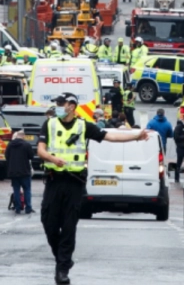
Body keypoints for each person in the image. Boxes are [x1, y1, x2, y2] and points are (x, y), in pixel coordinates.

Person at [37, 92, 149, 284]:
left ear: (72, 106)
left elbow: (110, 136)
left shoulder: (83, 126)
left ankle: (62, 269)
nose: (57, 106)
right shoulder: (50, 124)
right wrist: (53, 159)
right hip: (54, 180)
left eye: (61, 103)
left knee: (69, 226)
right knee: (49, 223)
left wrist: (135, 136)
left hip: (74, 183)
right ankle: (62, 259)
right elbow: (40, 149)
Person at [6, 131, 36, 214]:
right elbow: (31, 156)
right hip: (24, 171)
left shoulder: (10, 145)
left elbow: (6, 156)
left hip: (13, 172)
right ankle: (28, 208)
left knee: (16, 190)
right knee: (27, 189)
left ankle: (18, 208)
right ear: (23, 137)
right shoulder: (26, 145)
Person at [173, 113, 184, 183]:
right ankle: (176, 178)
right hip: (180, 147)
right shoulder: (179, 127)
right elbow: (176, 137)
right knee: (179, 162)